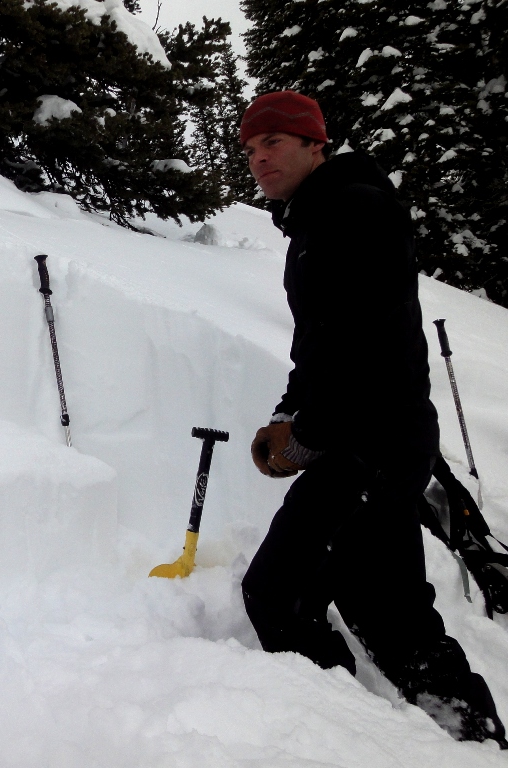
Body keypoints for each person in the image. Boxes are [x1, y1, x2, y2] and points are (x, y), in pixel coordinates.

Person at [238, 90, 506, 747]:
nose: (259, 158)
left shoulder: (350, 211)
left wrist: (305, 439)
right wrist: (288, 413)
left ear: (314, 144)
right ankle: (474, 742)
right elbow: (319, 350)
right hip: (379, 439)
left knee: (280, 594)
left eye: (274, 141)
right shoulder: (317, 220)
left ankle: (344, 742)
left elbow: (360, 349)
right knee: (389, 614)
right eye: (249, 149)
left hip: (371, 442)